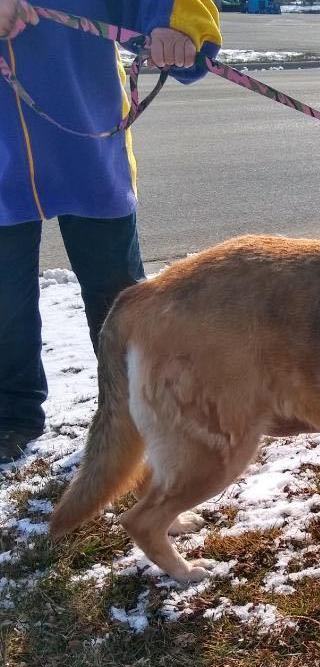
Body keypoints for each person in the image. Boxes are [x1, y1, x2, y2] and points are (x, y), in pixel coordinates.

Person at [0, 0, 222, 463]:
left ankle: (135, 415)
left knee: (118, 298)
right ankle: (11, 416)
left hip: (88, 136)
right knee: (3, 303)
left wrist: (175, 28)